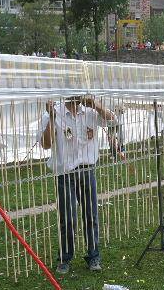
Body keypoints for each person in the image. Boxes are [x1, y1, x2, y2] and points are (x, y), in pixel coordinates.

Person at [38, 96, 115, 274]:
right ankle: (65, 258)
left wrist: (96, 105)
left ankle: (93, 256)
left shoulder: (90, 111)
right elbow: (46, 144)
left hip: (87, 170)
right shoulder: (53, 112)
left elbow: (113, 120)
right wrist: (50, 117)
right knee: (67, 218)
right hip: (65, 173)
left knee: (91, 215)